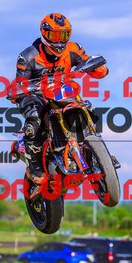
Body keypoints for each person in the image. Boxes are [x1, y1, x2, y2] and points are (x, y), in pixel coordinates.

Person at [14, 13, 108, 184]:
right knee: (35, 120)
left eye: (63, 35)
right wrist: (21, 89)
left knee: (86, 107)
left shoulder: (73, 48)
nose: (58, 41)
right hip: (34, 95)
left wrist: (97, 69)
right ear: (44, 34)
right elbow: (20, 83)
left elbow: (86, 62)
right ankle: (35, 166)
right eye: (54, 36)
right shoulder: (27, 56)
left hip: (62, 90)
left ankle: (97, 151)